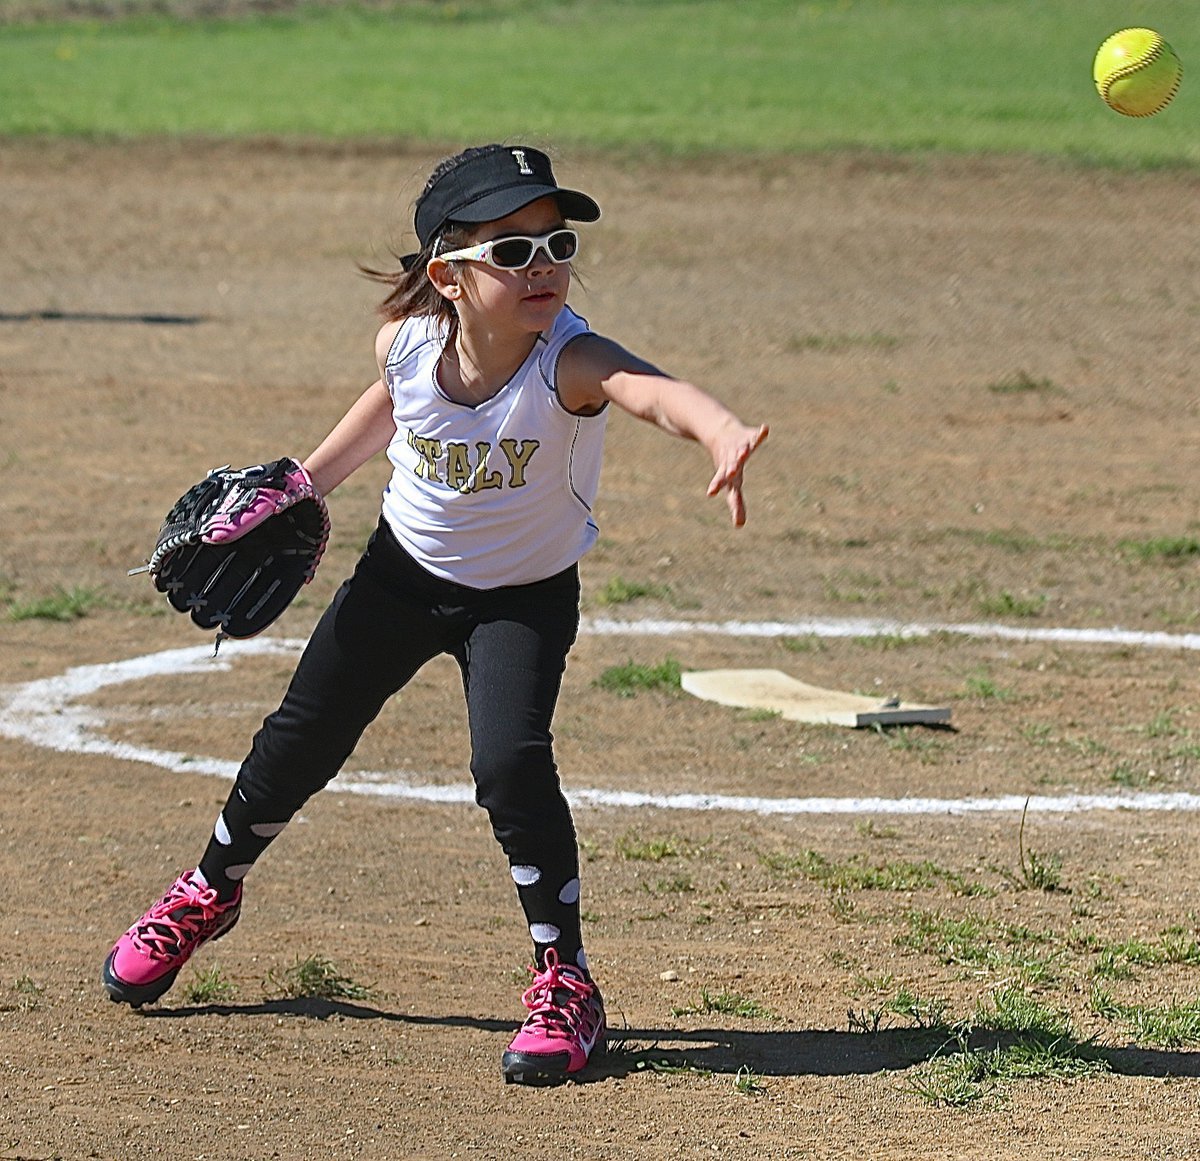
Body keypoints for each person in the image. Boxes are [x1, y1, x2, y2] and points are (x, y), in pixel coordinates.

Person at [101, 143, 768, 1085]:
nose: (542, 268)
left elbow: (644, 387)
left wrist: (719, 427)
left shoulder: (565, 360)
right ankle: (210, 889)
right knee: (301, 735)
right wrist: (300, 483)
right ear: (448, 276)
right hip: (402, 575)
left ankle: (566, 978)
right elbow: (390, 410)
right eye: (512, 252)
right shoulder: (406, 343)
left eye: (557, 244)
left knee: (509, 762)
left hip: (524, 598)